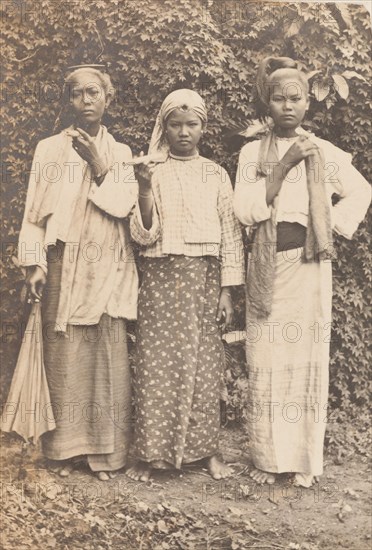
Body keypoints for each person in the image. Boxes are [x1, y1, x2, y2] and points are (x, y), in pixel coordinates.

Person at [233, 57, 371, 487]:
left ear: (308, 102)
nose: (287, 106)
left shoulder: (322, 151)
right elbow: (243, 209)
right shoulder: (251, 152)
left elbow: (362, 190)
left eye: (296, 98)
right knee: (266, 358)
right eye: (278, 98)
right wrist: (286, 162)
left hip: (309, 268)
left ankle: (303, 461)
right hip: (266, 264)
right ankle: (267, 458)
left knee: (305, 359)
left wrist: (325, 224)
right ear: (266, 102)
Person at [18, 66, 138, 480]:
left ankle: (104, 453)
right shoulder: (48, 149)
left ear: (108, 98)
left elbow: (124, 206)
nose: (86, 101)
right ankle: (64, 451)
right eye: (77, 94)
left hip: (107, 265)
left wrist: (98, 162)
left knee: (105, 354)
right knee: (63, 354)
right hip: (62, 263)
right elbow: (35, 212)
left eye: (93, 93)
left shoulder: (121, 153)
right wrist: (34, 263)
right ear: (68, 101)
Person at [127, 89, 245, 481]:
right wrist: (143, 187)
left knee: (204, 367)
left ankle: (206, 452)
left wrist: (228, 290)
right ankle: (150, 455)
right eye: (174, 125)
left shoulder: (215, 173)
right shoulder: (151, 170)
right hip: (161, 278)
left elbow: (230, 234)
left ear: (203, 128)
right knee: (155, 364)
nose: (183, 132)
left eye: (191, 124)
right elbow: (144, 235)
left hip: (204, 280)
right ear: (164, 127)